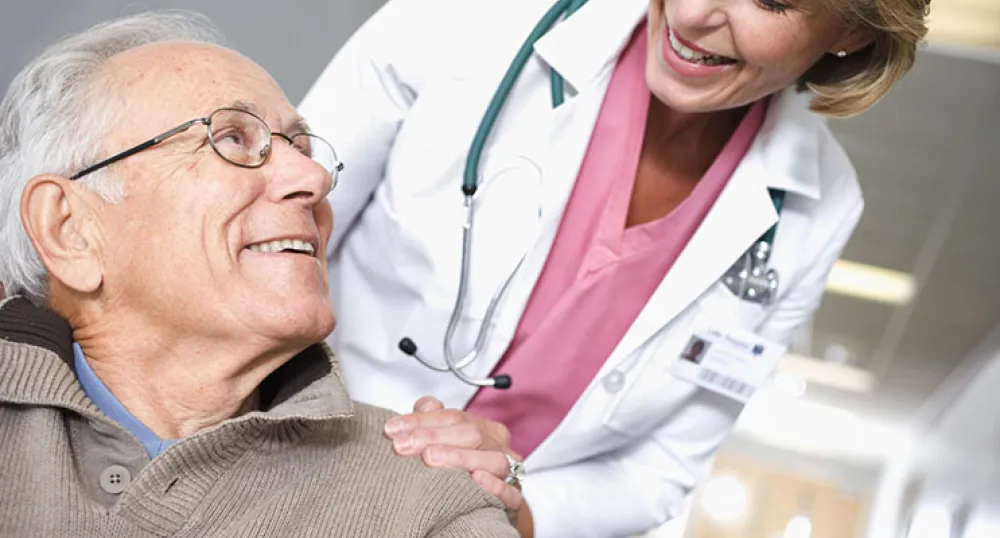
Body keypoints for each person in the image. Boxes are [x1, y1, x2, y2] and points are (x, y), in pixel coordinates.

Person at [298, 0, 929, 536]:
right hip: (289, 447)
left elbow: (659, 471)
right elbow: (268, 234)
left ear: (852, 31)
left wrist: (511, 501)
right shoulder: (474, 19)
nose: (688, 13)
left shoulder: (821, 208)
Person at [0, 12, 517, 538]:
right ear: (71, 230)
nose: (313, 178)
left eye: (304, 148)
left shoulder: (426, 496)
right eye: (231, 138)